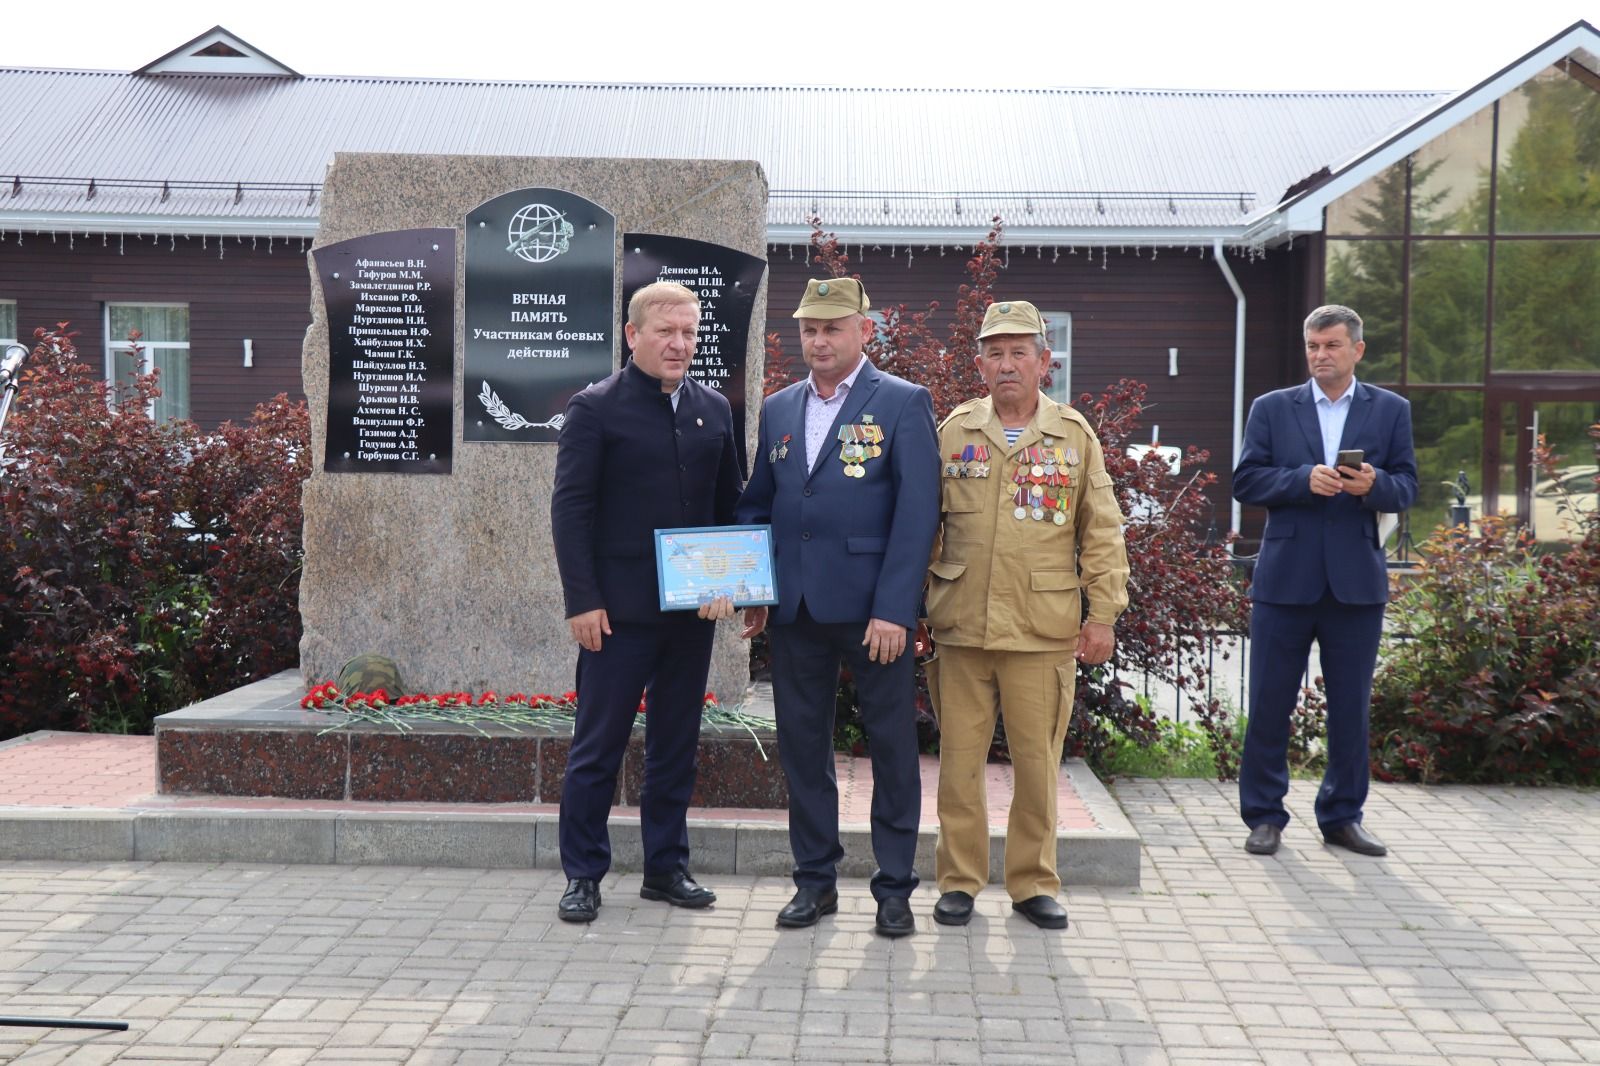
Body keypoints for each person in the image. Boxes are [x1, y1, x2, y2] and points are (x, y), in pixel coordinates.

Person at [736, 277, 940, 938]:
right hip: (795, 609)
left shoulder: (904, 403)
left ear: (862, 332)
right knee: (803, 749)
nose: (819, 340)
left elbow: (917, 516)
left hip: (871, 613)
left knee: (891, 747)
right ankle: (814, 882)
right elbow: (758, 504)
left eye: (832, 328)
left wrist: (896, 610)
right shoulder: (780, 408)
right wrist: (753, 587)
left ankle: (894, 889)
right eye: (809, 329)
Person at [922, 300, 1128, 930]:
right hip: (962, 622)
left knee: (1037, 764)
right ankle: (959, 880)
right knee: (959, 763)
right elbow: (922, 528)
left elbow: (1102, 532)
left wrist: (1104, 614)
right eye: (994, 352)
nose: (1006, 364)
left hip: (1042, 628)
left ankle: (1033, 882)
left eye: (1019, 353)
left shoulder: (1073, 435)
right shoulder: (953, 431)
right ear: (978, 363)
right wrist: (907, 610)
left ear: (1045, 362)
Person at [550, 280, 744, 922]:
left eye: (689, 333)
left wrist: (733, 585)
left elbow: (727, 510)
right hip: (617, 615)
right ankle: (583, 874)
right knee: (597, 746)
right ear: (633, 335)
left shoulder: (715, 409)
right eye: (667, 332)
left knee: (674, 743)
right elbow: (572, 510)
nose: (680, 344)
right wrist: (583, 599)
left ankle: (666, 868)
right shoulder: (594, 409)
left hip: (690, 616)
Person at [1232, 304, 1417, 858]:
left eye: (1332, 345)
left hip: (1356, 585)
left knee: (1350, 708)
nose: (1320, 356)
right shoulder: (1272, 408)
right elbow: (1246, 480)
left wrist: (1373, 485)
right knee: (1268, 703)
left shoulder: (1390, 410)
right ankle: (1264, 817)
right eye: (1313, 346)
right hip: (1285, 581)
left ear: (1357, 349)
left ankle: (1342, 817)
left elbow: (1407, 485)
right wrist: (1300, 479)